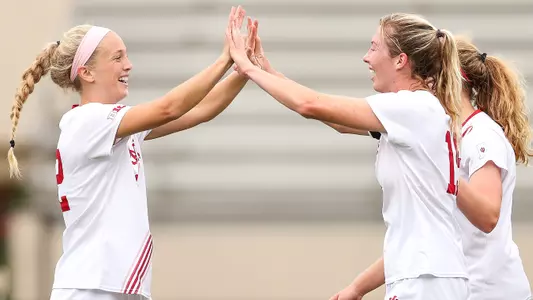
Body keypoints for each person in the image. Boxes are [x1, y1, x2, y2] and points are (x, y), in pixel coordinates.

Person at [7, 6, 258, 300]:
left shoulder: (111, 125)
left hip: (109, 284)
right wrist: (225, 59)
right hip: (93, 286)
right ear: (86, 72)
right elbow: (169, 108)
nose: (129, 65)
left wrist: (245, 70)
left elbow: (201, 110)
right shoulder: (89, 122)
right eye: (117, 57)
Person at [229, 12, 468, 300]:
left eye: (374, 47)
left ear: (400, 60)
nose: (366, 57)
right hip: (428, 274)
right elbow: (340, 122)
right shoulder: (413, 111)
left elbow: (310, 105)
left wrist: (247, 68)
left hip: (425, 278)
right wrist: (267, 71)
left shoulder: (412, 108)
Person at [453, 36, 532, 300]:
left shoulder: (481, 135)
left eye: (430, 74)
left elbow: (487, 216)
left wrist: (441, 166)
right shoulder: (453, 135)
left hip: (489, 289)